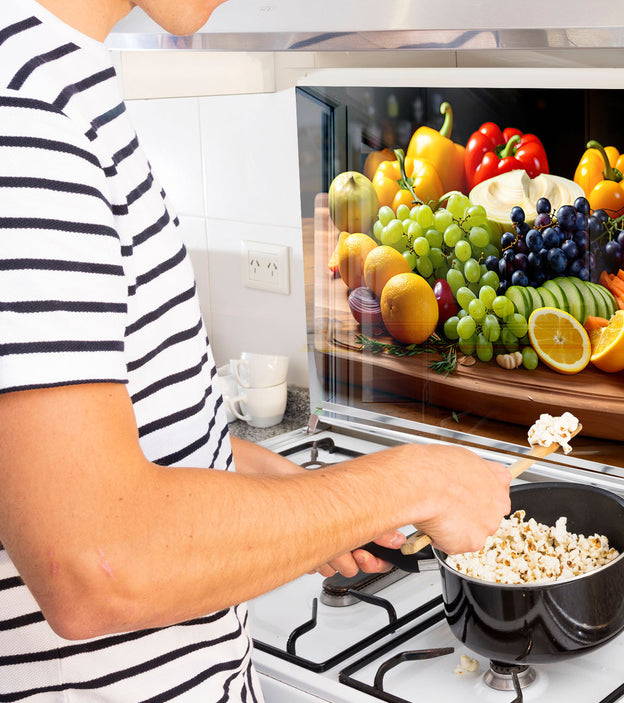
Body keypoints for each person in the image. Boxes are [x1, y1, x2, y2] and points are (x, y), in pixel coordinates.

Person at [0, 0, 512, 699]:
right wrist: (415, 480)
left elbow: (88, 451)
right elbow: (93, 562)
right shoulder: (24, 116)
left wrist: (300, 500)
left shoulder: (56, 80)